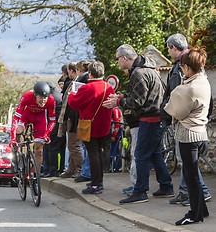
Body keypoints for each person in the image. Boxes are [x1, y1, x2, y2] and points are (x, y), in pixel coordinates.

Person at [103, 44, 174, 204]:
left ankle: (140, 191)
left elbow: (138, 101)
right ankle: (166, 186)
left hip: (149, 119)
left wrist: (119, 100)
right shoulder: (149, 69)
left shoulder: (138, 73)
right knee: (154, 153)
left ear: (125, 58)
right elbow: (144, 94)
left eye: (117, 59)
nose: (117, 63)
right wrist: (126, 95)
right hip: (157, 117)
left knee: (141, 155)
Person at [163, 33, 211, 205]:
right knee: (188, 164)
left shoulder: (183, 69)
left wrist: (169, 112)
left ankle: (197, 195)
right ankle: (187, 194)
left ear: (174, 47)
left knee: (187, 164)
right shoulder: (199, 74)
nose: (168, 52)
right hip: (198, 127)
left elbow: (179, 104)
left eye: (168, 48)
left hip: (188, 128)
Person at [68, 61, 113, 194]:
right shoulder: (108, 86)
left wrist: (72, 93)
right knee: (99, 152)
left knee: (93, 153)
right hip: (104, 125)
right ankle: (98, 180)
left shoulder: (87, 88)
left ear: (90, 73)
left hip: (90, 125)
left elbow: (74, 103)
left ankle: (96, 184)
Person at [10, 81, 56, 171]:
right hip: (26, 116)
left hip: (40, 120)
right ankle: (16, 154)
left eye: (45, 97)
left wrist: (46, 135)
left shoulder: (51, 100)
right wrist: (13, 138)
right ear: (35, 95)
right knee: (18, 132)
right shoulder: (27, 96)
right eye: (40, 97)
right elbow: (16, 118)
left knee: (39, 151)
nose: (43, 100)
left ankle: (36, 174)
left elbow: (53, 121)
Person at [57, 62, 83, 178]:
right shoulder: (72, 82)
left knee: (74, 145)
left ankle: (80, 169)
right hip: (70, 118)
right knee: (71, 145)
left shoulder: (77, 83)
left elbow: (73, 101)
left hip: (74, 118)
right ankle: (71, 169)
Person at [43, 82, 65, 177]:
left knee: (53, 150)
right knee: (61, 150)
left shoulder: (52, 98)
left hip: (55, 127)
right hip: (61, 127)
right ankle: (60, 169)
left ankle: (52, 171)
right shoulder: (58, 94)